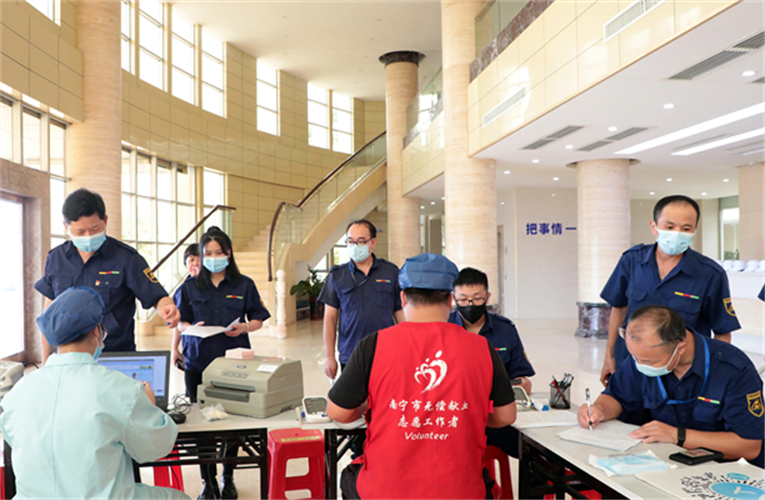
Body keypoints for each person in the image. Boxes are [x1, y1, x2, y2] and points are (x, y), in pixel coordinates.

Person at [327, 253, 516, 500]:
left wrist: (366, 408)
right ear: (450, 300)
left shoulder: (373, 345)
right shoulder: (481, 348)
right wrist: (469, 414)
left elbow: (337, 412)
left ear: (403, 298)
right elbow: (506, 416)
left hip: (385, 492)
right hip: (460, 492)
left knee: (350, 476)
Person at [0, 287, 190, 500]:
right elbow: (156, 448)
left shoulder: (18, 394)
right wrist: (150, 406)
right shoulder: (121, 389)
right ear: (96, 331)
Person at [579, 305, 764, 468]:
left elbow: (749, 446)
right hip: (660, 461)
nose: (639, 365)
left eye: (648, 362)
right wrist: (599, 410)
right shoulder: (642, 356)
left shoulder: (734, 371)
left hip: (721, 470)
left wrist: (678, 436)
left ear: (680, 348)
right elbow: (616, 396)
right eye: (635, 358)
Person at [599, 195, 740, 386]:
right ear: (654, 227)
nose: (677, 233)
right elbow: (619, 308)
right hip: (630, 364)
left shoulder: (709, 274)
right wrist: (609, 356)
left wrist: (713, 373)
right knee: (619, 404)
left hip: (681, 373)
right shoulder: (632, 261)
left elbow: (722, 331)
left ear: (695, 229)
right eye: (670, 226)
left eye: (686, 228)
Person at [176, 227, 270, 500]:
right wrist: (191, 328)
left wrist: (244, 327)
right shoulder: (189, 287)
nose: (214, 258)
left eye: (219, 252)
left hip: (234, 365)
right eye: (208, 253)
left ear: (228, 254)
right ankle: (208, 482)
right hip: (198, 363)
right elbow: (179, 323)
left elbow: (258, 318)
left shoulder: (244, 285)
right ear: (201, 255)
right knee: (201, 425)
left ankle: (229, 478)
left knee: (231, 422)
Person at [35, 188, 181, 364]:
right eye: (80, 232)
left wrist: (167, 307)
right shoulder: (56, 258)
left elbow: (156, 296)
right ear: (66, 227)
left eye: (95, 229)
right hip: (68, 360)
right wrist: (46, 361)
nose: (88, 236)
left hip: (115, 356)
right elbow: (49, 314)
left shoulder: (126, 258)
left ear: (105, 220)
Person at [449, 267, 534, 458]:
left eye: (477, 298)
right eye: (463, 299)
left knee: (530, 449)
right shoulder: (444, 328)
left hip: (495, 415)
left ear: (487, 297)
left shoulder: (505, 329)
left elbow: (520, 376)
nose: (470, 305)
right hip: (457, 416)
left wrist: (522, 384)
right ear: (453, 299)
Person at [318, 219, 404, 381]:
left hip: (386, 351)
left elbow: (400, 314)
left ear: (372, 243)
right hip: (351, 353)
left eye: (361, 241)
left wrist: (408, 348)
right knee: (353, 397)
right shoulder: (337, 276)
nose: (355, 246)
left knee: (386, 395)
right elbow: (330, 319)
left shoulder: (390, 272)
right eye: (351, 241)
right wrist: (329, 356)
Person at [172, 243, 200, 370]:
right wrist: (174, 348)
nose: (195, 264)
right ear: (185, 264)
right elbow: (178, 322)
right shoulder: (182, 290)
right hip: (191, 346)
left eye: (199, 259)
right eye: (191, 260)